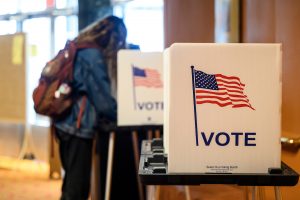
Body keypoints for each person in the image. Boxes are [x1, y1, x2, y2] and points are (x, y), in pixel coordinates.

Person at [53, 15, 127, 200]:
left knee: (70, 183)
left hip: (64, 123)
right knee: (77, 188)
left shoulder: (79, 47)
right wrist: (122, 116)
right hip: (78, 126)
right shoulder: (92, 55)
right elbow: (102, 97)